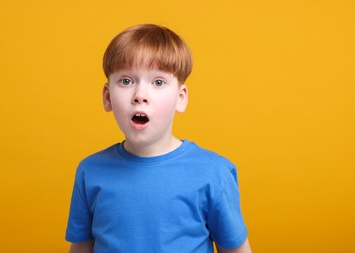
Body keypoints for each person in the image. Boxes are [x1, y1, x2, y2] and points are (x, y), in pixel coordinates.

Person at [66, 24, 252, 253]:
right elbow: (81, 247)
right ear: (107, 97)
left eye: (158, 82)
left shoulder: (215, 173)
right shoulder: (90, 171)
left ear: (180, 98)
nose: (140, 96)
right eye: (126, 81)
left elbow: (235, 250)